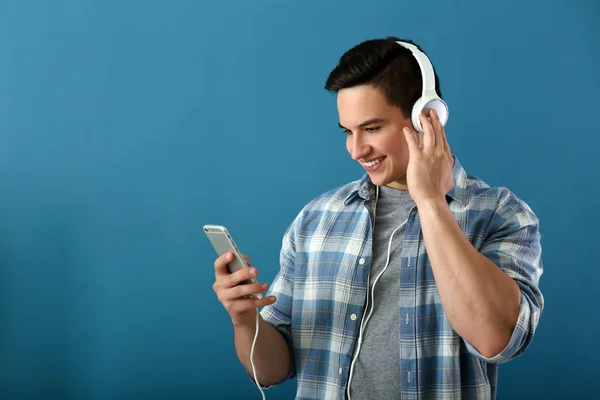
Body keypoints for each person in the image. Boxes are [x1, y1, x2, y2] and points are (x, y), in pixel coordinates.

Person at [212, 36, 544, 400]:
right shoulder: (315, 220)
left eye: (372, 129)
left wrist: (431, 201)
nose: (356, 150)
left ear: (426, 117)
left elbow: (498, 340)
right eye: (347, 132)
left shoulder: (499, 214)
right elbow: (274, 371)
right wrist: (245, 321)